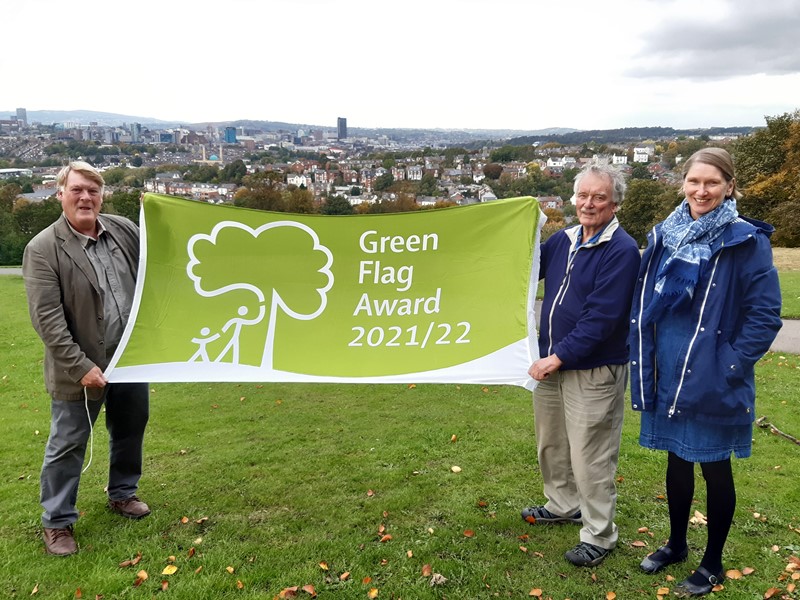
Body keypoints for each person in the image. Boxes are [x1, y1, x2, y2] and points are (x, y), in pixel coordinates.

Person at [630, 148, 782, 596]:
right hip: (669, 367)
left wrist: (730, 364)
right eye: (694, 182)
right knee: (677, 459)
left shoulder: (745, 239)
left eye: (712, 183)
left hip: (714, 371)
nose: (702, 191)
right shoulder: (667, 233)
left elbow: (765, 314)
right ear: (684, 184)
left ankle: (712, 562)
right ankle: (676, 544)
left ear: (729, 186)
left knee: (715, 467)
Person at [23, 161, 151, 556]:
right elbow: (47, 321)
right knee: (68, 442)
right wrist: (81, 368)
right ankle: (57, 522)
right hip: (79, 368)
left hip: (129, 358)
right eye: (77, 190)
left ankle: (122, 494)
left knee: (130, 428)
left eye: (93, 190)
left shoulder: (123, 230)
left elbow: (160, 257)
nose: (85, 197)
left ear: (102, 195)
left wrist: (161, 208)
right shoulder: (43, 249)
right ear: (60, 194)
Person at [523, 162, 641, 567]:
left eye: (598, 197)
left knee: (590, 454)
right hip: (551, 363)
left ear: (614, 203)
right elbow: (524, 270)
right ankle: (562, 504)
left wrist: (558, 356)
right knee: (552, 443)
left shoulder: (621, 250)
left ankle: (600, 535)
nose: (588, 204)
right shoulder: (565, 239)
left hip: (592, 369)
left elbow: (602, 318)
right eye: (583, 196)